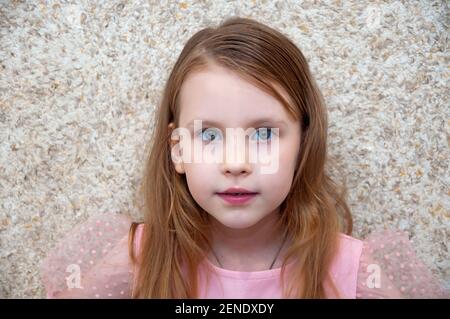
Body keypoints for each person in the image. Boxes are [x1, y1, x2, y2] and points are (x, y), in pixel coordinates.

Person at [40, 17, 448, 299]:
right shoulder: (138, 260)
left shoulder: (355, 271)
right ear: (177, 149)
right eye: (209, 135)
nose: (236, 162)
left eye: (264, 133)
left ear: (303, 144)